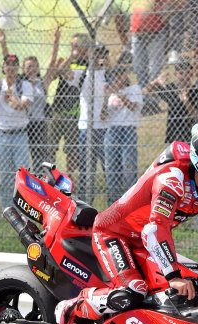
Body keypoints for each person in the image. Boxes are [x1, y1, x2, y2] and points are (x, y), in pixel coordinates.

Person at [54, 121, 198, 324]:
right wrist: (174, 276)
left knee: (194, 283)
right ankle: (71, 310)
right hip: (114, 234)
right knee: (134, 290)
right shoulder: (172, 178)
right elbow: (156, 229)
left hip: (146, 243)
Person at [0, 27, 61, 173]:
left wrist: (56, 41)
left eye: (34, 66)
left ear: (38, 68)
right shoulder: (20, 82)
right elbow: (9, 65)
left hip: (39, 125)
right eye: (28, 67)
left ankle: (42, 187)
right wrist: (3, 45)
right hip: (23, 125)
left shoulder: (42, 83)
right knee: (23, 161)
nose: (31, 69)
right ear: (23, 69)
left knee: (41, 159)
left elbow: (52, 63)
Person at [0, 53, 33, 208]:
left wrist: (13, 97)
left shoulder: (25, 85)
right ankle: (7, 208)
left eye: (14, 65)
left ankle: (24, 208)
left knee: (23, 174)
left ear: (18, 68)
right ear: (3, 68)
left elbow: (22, 105)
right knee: (4, 175)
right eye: (8, 65)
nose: (11, 68)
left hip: (19, 135)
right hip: (1, 135)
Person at [103, 64, 143, 205]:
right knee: (112, 167)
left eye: (121, 74)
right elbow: (103, 116)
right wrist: (105, 97)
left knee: (128, 166)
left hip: (128, 130)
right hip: (113, 130)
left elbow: (134, 107)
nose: (118, 78)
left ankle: (130, 203)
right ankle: (112, 204)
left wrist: (120, 94)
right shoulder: (110, 93)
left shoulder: (134, 89)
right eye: (116, 76)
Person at [50, 33, 88, 173]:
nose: (74, 48)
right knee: (50, 147)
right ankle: (50, 179)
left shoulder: (88, 64)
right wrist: (71, 57)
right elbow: (58, 72)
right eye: (72, 45)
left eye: (77, 45)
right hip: (58, 111)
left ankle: (69, 178)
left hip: (74, 113)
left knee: (71, 150)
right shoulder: (65, 60)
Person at [78, 42, 111, 205]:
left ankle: (114, 206)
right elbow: (63, 72)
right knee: (86, 170)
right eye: (96, 54)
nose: (99, 57)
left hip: (105, 128)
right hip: (86, 127)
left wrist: (108, 64)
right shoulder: (83, 72)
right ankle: (84, 205)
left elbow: (116, 88)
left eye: (102, 54)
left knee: (109, 168)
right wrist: (75, 53)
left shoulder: (109, 74)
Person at [144, 58, 198, 144]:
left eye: (188, 73)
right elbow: (145, 91)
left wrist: (186, 102)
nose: (185, 76)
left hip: (190, 135)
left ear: (192, 74)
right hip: (173, 133)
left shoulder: (197, 91)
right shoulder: (171, 89)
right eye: (181, 73)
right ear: (175, 74)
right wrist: (157, 80)